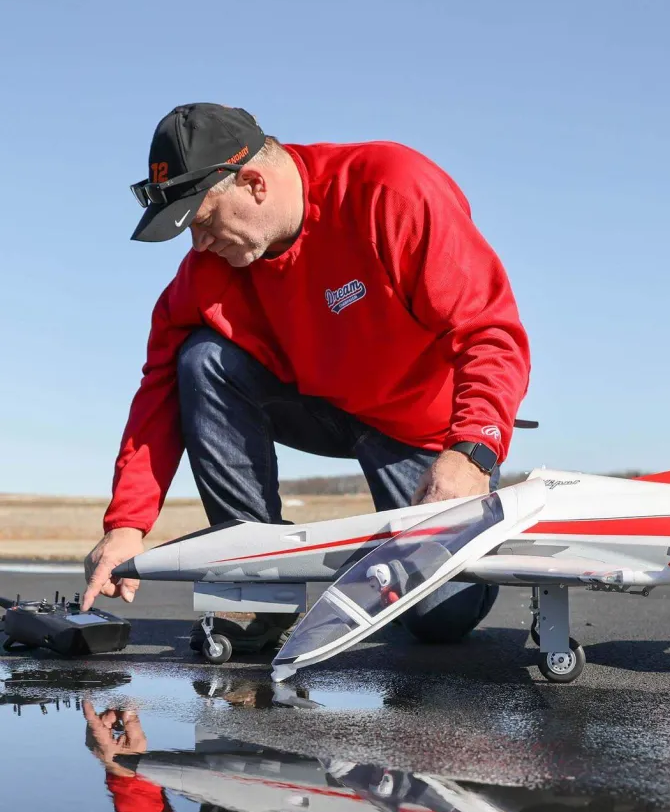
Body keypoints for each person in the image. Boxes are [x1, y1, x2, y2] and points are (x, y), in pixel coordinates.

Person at [81, 103, 531, 652]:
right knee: (201, 359)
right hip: (321, 405)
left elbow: (491, 332)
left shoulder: (389, 191)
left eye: (202, 221)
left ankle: (431, 546)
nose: (198, 245)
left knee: (440, 620)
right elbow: (160, 391)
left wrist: (472, 451)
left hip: (421, 429)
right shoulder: (207, 273)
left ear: (254, 183)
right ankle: (257, 587)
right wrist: (126, 525)